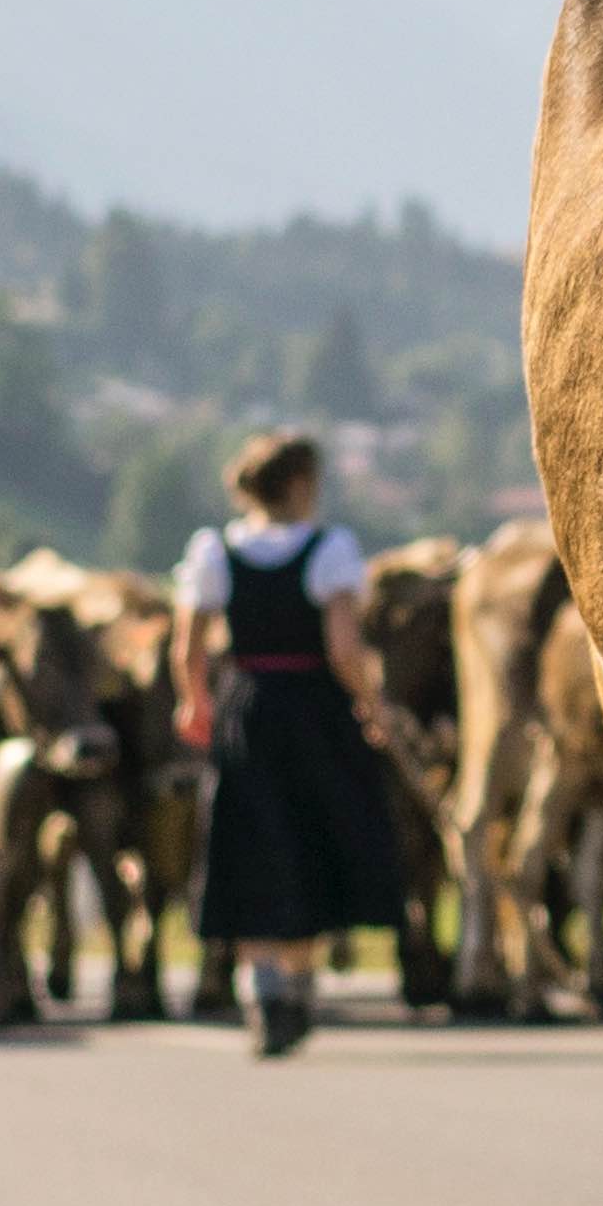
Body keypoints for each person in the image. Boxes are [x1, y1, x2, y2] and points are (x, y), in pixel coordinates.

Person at [168, 429, 406, 1058]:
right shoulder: (329, 549)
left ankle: (261, 986)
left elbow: (188, 645)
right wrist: (372, 706)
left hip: (246, 705)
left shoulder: (214, 551)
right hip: (313, 709)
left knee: (247, 839)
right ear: (301, 485)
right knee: (313, 834)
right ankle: (298, 982)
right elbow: (345, 650)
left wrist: (195, 700)